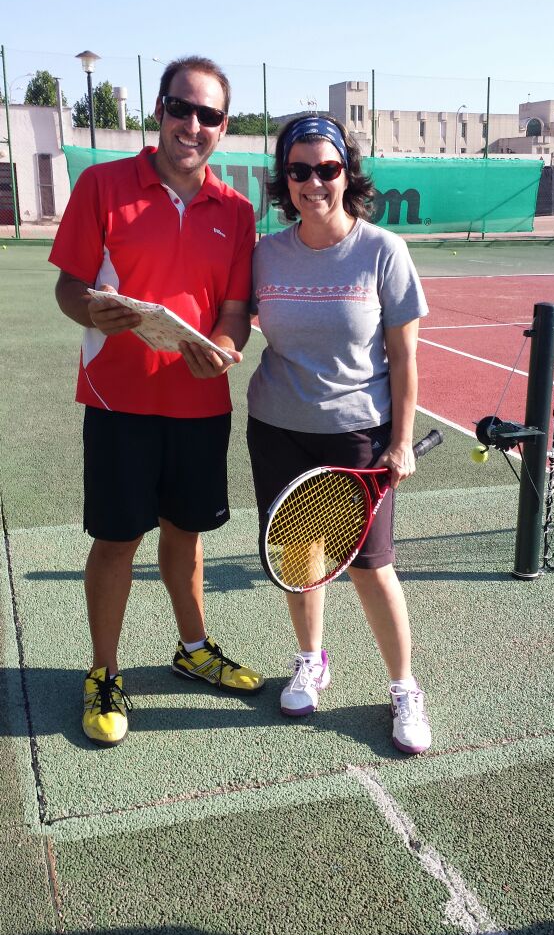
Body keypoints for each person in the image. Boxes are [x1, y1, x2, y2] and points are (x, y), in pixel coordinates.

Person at [49, 55, 264, 748]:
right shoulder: (102, 184)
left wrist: (223, 348)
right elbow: (69, 287)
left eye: (208, 115)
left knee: (187, 535)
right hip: (118, 401)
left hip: (200, 404)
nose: (191, 125)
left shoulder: (237, 211)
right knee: (117, 541)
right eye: (180, 108)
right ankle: (104, 673)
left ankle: (192, 650)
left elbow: (234, 313)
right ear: (159, 111)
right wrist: (91, 310)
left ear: (223, 127)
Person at [246, 115, 431, 754]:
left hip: (358, 434)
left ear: (347, 173)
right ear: (285, 179)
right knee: (301, 562)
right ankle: (311, 660)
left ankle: (404, 686)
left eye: (327, 168)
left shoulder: (383, 251)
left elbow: (404, 357)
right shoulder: (266, 254)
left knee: (372, 569)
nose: (314, 182)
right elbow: (233, 321)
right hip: (277, 428)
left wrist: (401, 440)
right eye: (299, 170)